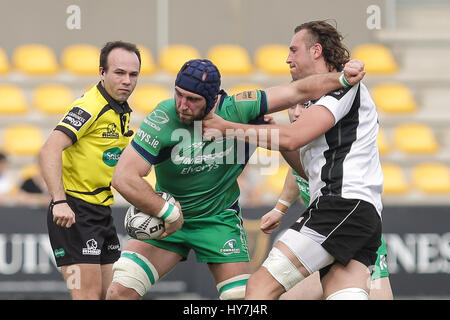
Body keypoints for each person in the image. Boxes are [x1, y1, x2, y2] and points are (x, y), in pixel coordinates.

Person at [106, 57, 365, 300]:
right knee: (119, 292)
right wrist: (167, 212)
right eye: (179, 94)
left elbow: (297, 92)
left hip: (218, 221)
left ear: (212, 101)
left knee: (243, 301)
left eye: (193, 99)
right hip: (169, 219)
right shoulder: (163, 117)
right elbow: (123, 177)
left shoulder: (239, 108)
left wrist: (341, 79)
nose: (182, 105)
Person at [203, 20, 382, 300]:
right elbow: (307, 166)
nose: (288, 58)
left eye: (294, 50)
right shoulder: (315, 100)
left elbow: (292, 137)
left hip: (341, 205)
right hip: (360, 214)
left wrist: (227, 127)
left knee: (259, 287)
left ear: (316, 51)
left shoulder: (341, 88)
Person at [39, 41, 141, 300]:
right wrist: (59, 201)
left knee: (113, 295)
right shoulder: (90, 106)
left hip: (100, 212)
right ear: (102, 73)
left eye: (133, 74)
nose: (127, 80)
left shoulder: (120, 110)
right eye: (119, 73)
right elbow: (50, 149)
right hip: (73, 212)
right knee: (87, 296)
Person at [263, 102, 393, 300]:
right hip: (322, 237)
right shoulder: (307, 146)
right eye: (292, 107)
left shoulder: (341, 143)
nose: (296, 113)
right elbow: (297, 173)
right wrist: (280, 208)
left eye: (304, 106)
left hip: (359, 239)